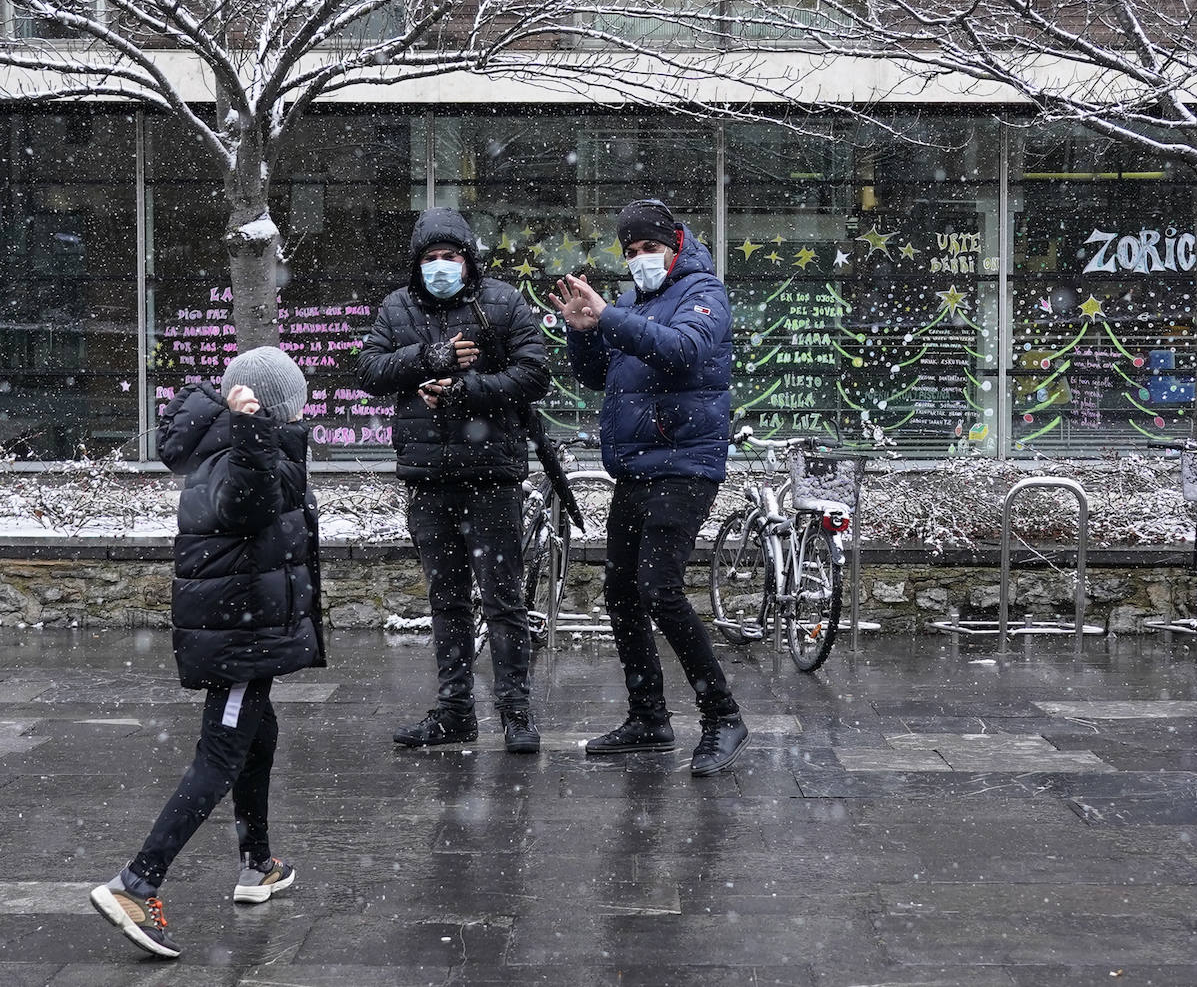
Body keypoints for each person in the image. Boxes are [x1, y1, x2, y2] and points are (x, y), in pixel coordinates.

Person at [90, 346, 324, 960]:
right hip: (240, 636)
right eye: (294, 405)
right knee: (220, 755)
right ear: (276, 407)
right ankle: (138, 882)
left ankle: (258, 863)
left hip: (244, 627)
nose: (303, 415)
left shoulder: (233, 443)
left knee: (259, 738)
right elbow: (247, 508)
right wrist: (255, 436)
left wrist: (259, 436)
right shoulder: (240, 449)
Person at [551, 198, 748, 777]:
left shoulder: (703, 293)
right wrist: (584, 332)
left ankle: (722, 716)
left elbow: (683, 350)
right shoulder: (638, 303)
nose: (641, 260)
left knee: (659, 588)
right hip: (637, 465)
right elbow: (598, 375)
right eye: (631, 252)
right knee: (620, 591)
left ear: (676, 246)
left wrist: (609, 316)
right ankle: (648, 717)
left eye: (650, 248)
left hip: (686, 463)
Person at [358, 207, 550, 754]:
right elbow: (368, 371)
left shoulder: (503, 303)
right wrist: (427, 358)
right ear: (416, 263)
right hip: (429, 478)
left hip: (491, 476)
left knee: (503, 598)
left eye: (450, 257)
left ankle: (516, 712)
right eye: (430, 258)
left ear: (469, 260)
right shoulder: (397, 307)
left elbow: (535, 373)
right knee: (447, 599)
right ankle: (454, 710)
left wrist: (468, 389)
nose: (440, 267)